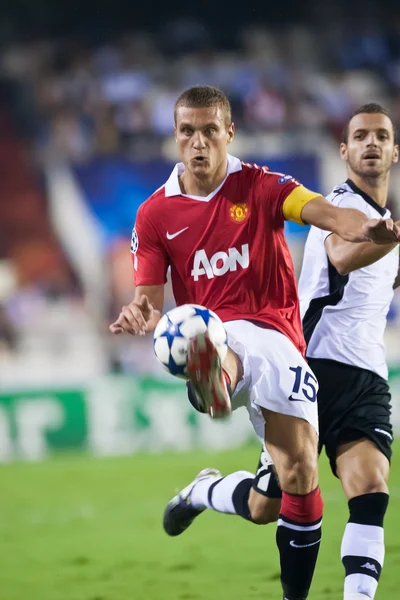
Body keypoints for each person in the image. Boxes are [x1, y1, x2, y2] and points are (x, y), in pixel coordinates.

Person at [110, 87, 400, 600]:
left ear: (228, 133)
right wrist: (140, 311)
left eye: (208, 131)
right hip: (222, 332)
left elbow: (325, 214)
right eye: (187, 132)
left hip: (281, 339)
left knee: (291, 485)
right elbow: (149, 299)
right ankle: (215, 376)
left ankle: (205, 484)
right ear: (175, 137)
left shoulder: (262, 185)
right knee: (210, 334)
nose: (198, 143)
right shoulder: (154, 215)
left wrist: (371, 228)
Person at [298, 103, 400, 600]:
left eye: (382, 135)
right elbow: (340, 256)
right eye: (361, 136)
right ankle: (204, 490)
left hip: (366, 377)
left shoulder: (388, 225)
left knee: (371, 490)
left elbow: (382, 282)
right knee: (265, 503)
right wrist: (383, 244)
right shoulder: (336, 207)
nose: (372, 143)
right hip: (310, 370)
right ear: (344, 151)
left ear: (395, 151)